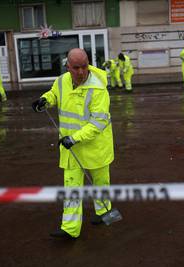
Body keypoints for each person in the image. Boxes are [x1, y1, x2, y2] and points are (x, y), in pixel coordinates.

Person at [32, 48, 114, 239]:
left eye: (84, 66)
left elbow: (99, 122)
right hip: (71, 147)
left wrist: (74, 138)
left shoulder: (98, 88)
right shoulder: (61, 82)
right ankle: (70, 228)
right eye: (75, 67)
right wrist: (45, 100)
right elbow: (54, 94)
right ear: (67, 66)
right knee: (72, 186)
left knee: (100, 183)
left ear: (88, 64)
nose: (80, 72)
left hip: (95, 147)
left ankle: (104, 212)